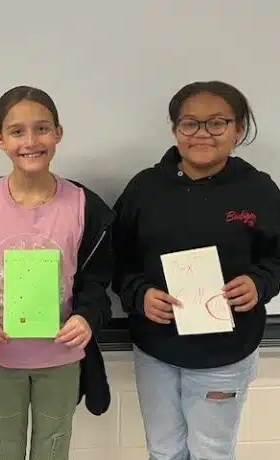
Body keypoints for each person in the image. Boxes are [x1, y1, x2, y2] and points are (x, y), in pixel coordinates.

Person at [112, 80, 280, 460]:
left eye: (217, 123)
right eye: (190, 123)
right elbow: (116, 258)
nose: (202, 133)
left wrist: (259, 283)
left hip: (226, 350)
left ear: (238, 129)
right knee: (163, 450)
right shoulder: (145, 188)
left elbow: (276, 258)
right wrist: (139, 294)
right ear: (175, 130)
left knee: (211, 451)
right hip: (156, 348)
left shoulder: (259, 190)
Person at [0, 85, 114, 460]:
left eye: (42, 129)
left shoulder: (86, 206)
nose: (30, 141)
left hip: (62, 357)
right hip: (1, 356)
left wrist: (87, 316)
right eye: (17, 131)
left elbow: (97, 281)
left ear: (58, 133)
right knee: (3, 447)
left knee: (53, 448)